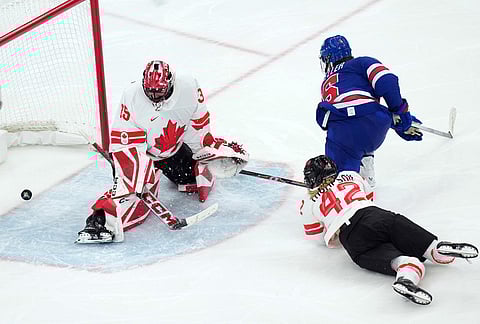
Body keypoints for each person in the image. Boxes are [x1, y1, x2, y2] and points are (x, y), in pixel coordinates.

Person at [76, 60, 249, 244]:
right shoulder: (132, 97)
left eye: (159, 91)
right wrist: (134, 177)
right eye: (150, 92)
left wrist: (213, 152)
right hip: (145, 158)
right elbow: (124, 146)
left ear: (171, 83)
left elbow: (198, 130)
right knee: (130, 195)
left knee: (191, 180)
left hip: (174, 152)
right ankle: (99, 222)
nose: (154, 96)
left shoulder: (189, 87)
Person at [299, 155, 478, 305]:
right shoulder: (350, 176)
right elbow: (369, 196)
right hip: (376, 216)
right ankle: (438, 249)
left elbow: (317, 237)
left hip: (352, 239)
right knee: (420, 241)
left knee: (402, 261)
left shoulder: (307, 203)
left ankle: (406, 278)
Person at [316, 35, 423, 188]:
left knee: (339, 181)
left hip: (342, 133)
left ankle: (347, 180)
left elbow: (345, 113)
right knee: (367, 120)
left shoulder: (326, 83)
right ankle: (366, 164)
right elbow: (386, 82)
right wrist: (399, 114)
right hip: (374, 125)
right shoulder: (361, 63)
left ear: (328, 58)